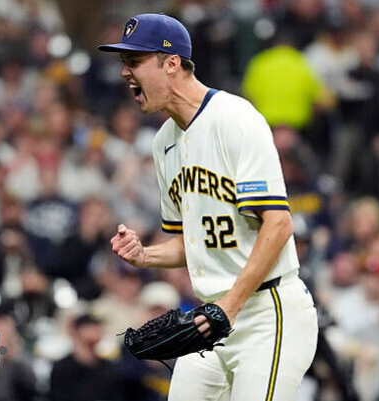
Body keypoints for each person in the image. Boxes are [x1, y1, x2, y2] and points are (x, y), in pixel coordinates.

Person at [101, 13, 319, 400]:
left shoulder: (234, 118)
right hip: (212, 316)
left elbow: (279, 224)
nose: (124, 72)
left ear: (171, 63)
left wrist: (230, 307)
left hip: (267, 313)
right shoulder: (163, 142)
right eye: (123, 62)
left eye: (134, 61)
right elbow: (192, 242)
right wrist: (145, 255)